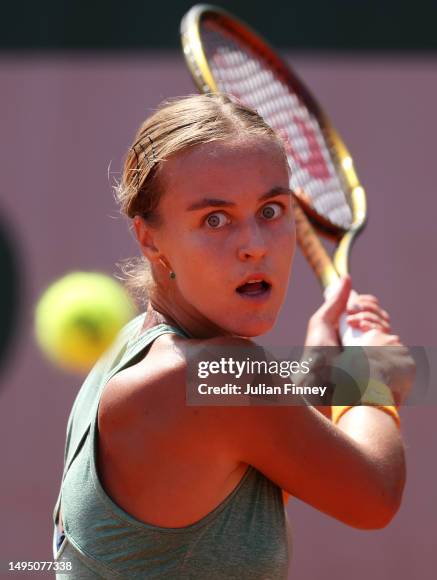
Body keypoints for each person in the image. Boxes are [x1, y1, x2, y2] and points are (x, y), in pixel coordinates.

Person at [52, 94, 412, 579]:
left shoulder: (132, 346)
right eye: (214, 219)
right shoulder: (207, 374)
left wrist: (321, 368)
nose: (254, 246)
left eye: (271, 210)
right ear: (149, 238)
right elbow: (374, 495)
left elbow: (248, 468)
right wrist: (371, 377)